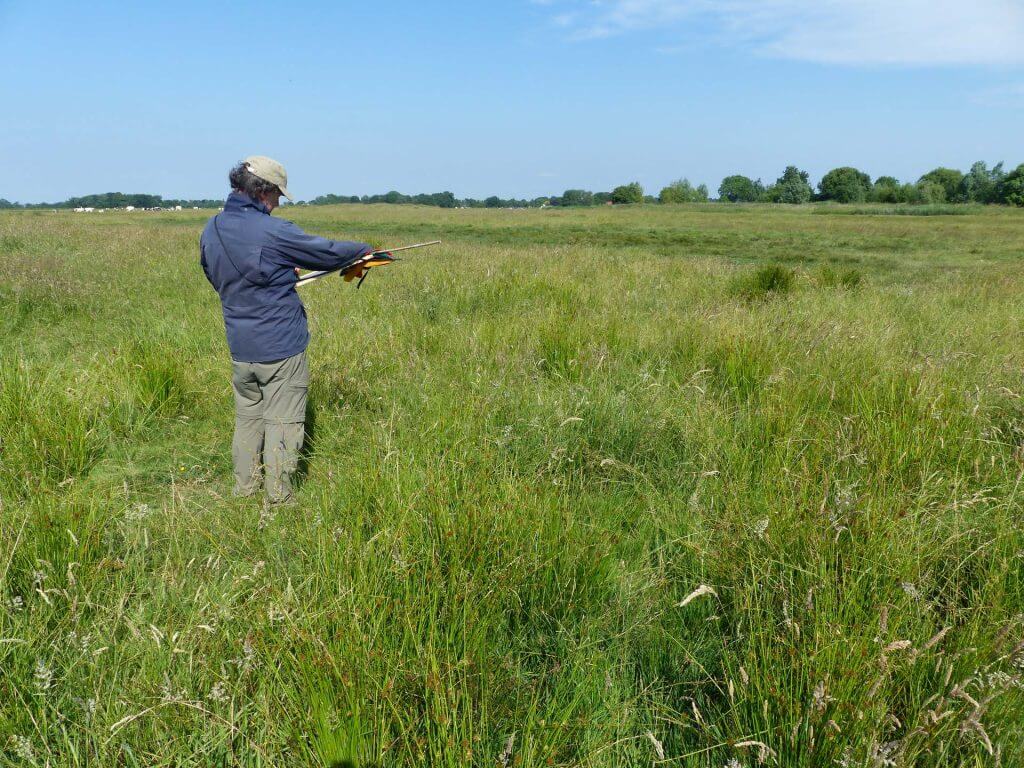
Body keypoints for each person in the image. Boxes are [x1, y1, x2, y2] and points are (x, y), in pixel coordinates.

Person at [200, 156, 372, 504]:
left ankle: (244, 492)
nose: (278, 202)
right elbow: (326, 253)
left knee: (248, 420)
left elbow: (216, 275)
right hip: (280, 348)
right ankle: (278, 503)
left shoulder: (211, 228)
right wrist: (364, 251)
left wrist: (276, 274)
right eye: (278, 194)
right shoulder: (274, 231)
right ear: (263, 192)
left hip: (241, 348)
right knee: (284, 423)